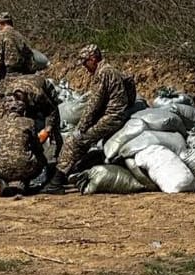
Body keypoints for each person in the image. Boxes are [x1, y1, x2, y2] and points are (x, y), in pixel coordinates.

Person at [42, 44, 136, 195]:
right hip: (114, 115)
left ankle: (57, 181)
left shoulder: (103, 73)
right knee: (82, 142)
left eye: (85, 62)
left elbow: (93, 105)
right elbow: (129, 85)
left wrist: (81, 127)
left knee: (75, 141)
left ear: (93, 59)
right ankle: (70, 172)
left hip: (111, 117)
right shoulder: (111, 70)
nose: (85, 67)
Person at [0, 92, 48, 197]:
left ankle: (3, 182)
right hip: (26, 168)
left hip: (2, 169)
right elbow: (36, 146)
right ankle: (24, 183)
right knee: (40, 158)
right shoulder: (29, 122)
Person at [1, 74, 63, 163]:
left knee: (54, 127)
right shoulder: (8, 95)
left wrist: (47, 130)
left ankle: (57, 155)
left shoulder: (38, 94)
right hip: (22, 86)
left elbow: (51, 110)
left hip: (44, 90)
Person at [0, 12, 34, 120]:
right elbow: (31, 63)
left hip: (5, 82)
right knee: (19, 116)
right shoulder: (21, 37)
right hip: (22, 82)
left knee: (2, 118)